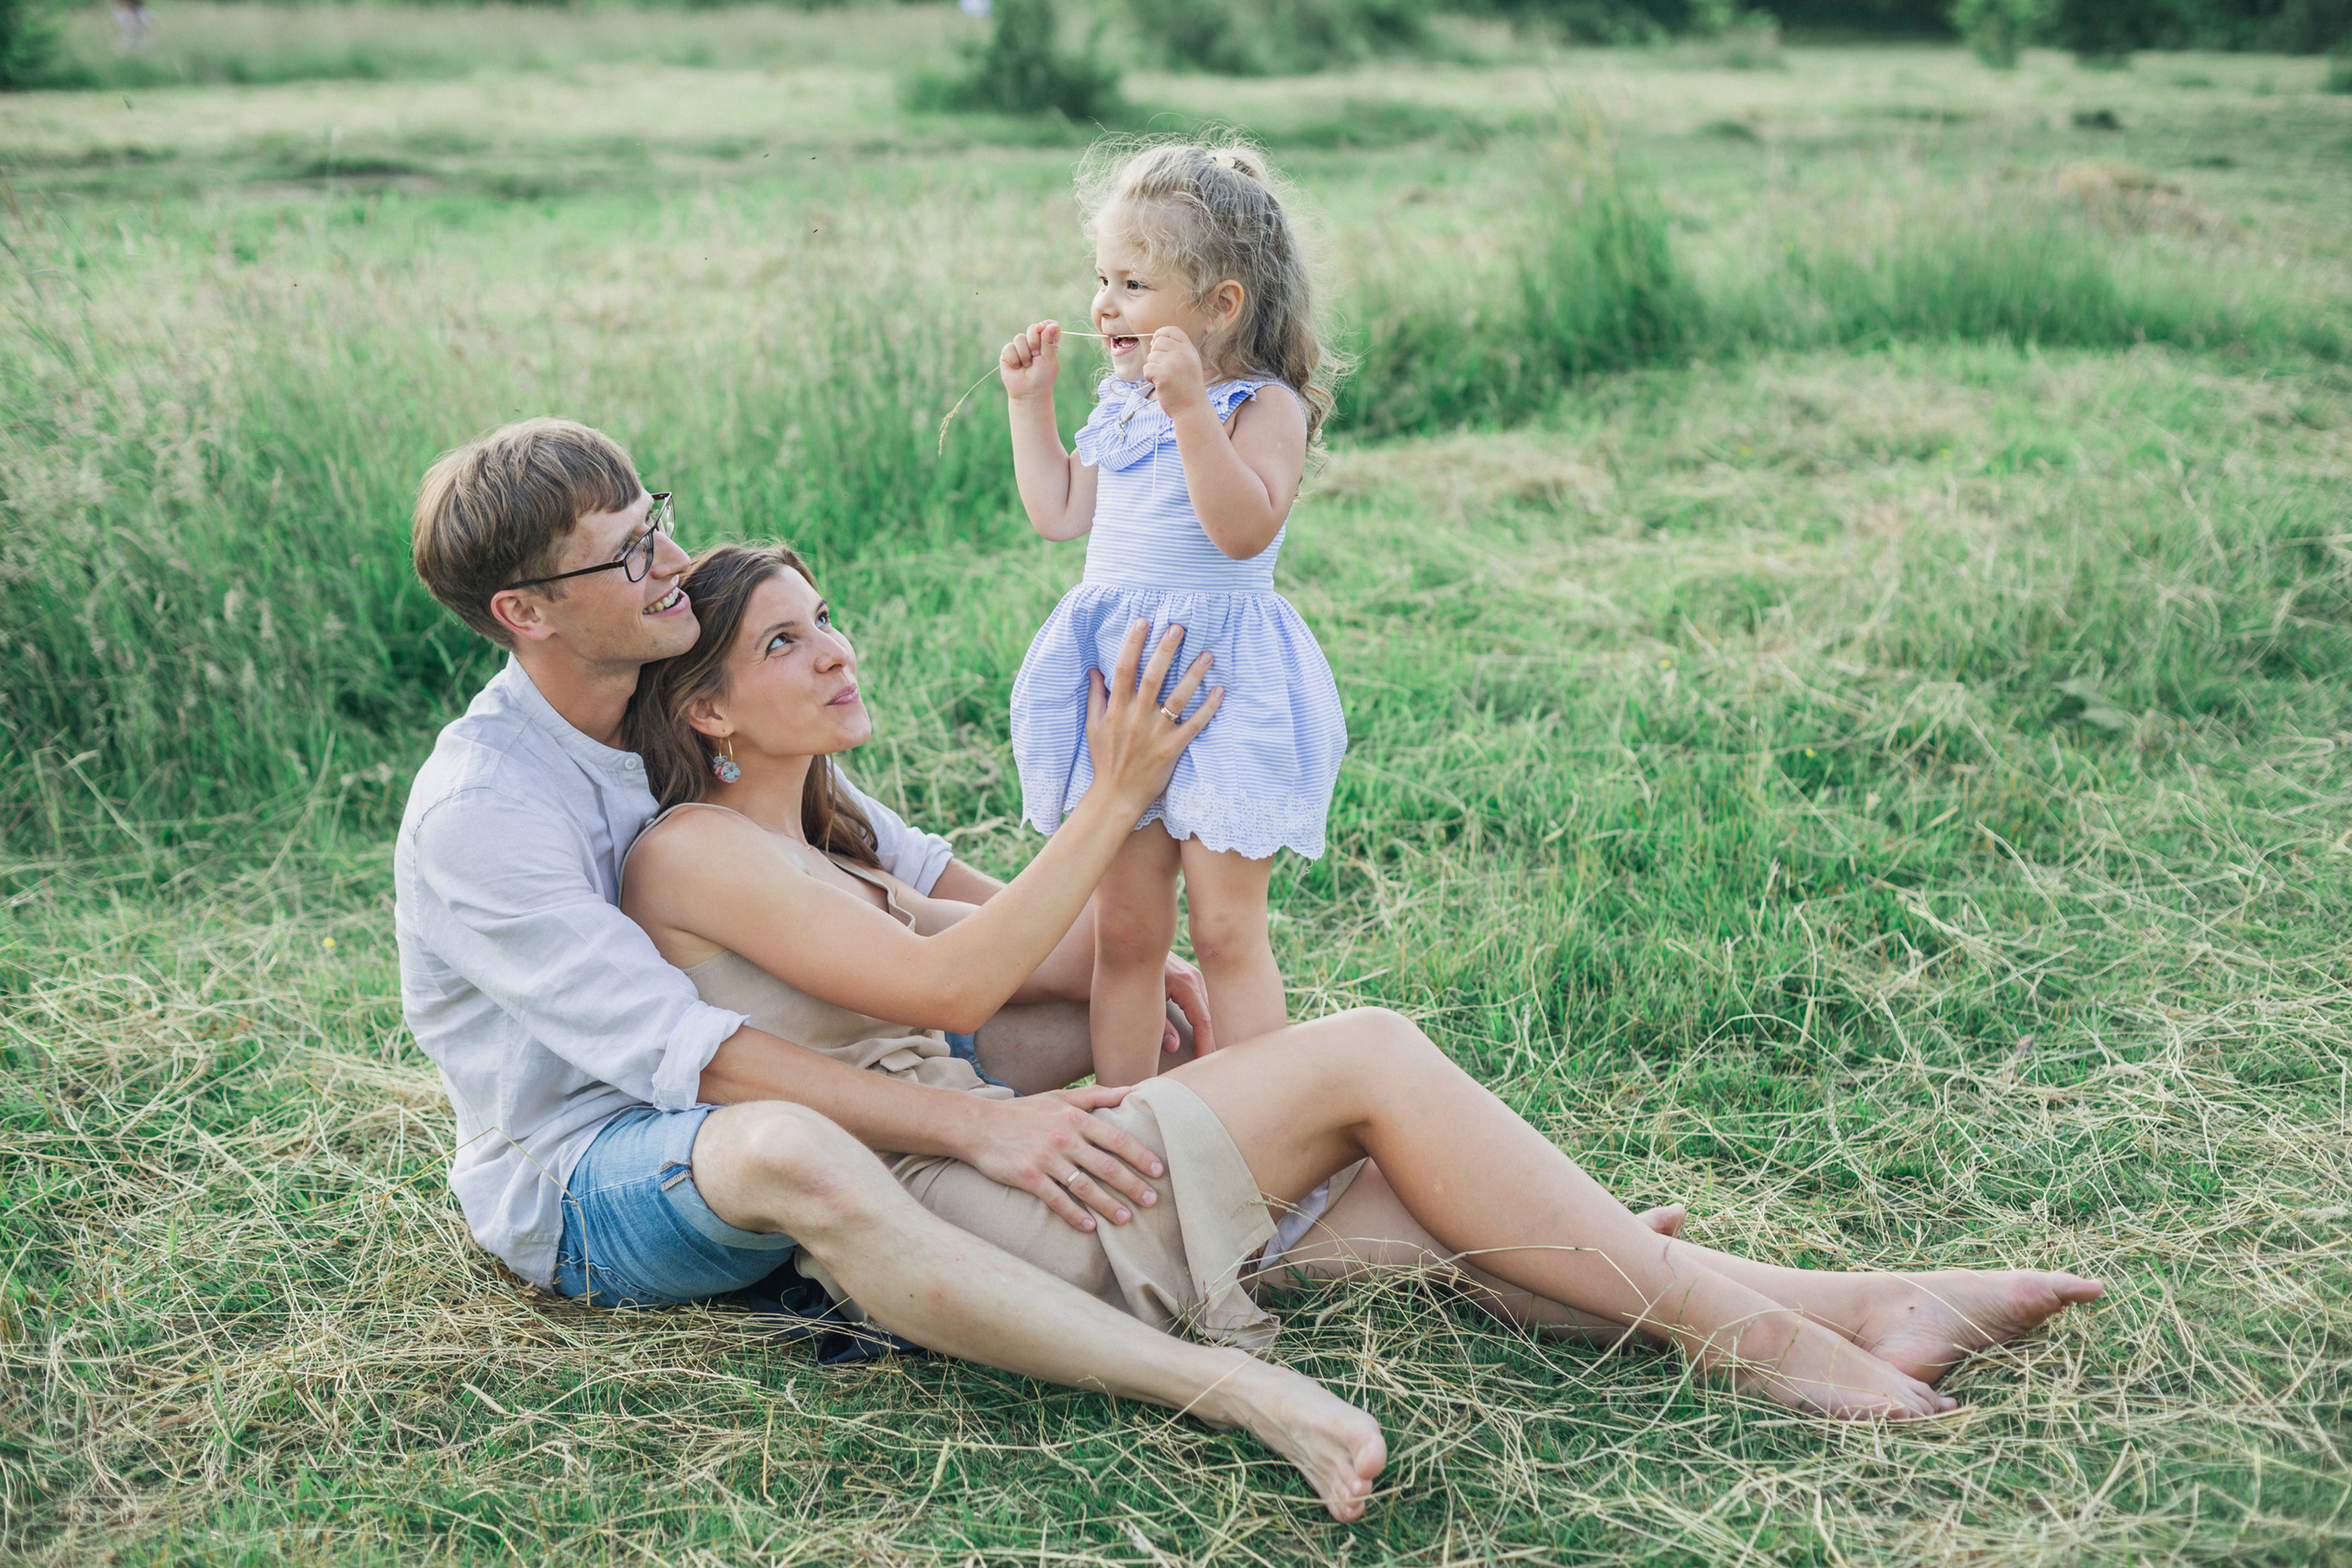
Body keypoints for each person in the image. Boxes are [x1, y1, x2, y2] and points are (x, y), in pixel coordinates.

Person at [616, 538, 2109, 1506]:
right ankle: (1771, 1341)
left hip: (1026, 1168)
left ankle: (1869, 1298)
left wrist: (1177, 870)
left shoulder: (828, 846)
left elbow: (1048, 955)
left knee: (1431, 1203)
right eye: (786, 646)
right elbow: (951, 995)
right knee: (1372, 1053)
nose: (834, 652)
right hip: (968, 1207)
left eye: (830, 619)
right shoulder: (694, 854)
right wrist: (1120, 788)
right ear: (709, 715)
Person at [394, 418, 1400, 1521]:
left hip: (786, 1073)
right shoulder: (485, 811)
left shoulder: (683, 711)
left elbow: (952, 901)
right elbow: (697, 1063)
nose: (671, 563)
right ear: (524, 613)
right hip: (600, 1162)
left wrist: (1138, 920)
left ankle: (1265, 1213)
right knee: (795, 1148)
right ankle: (1227, 1387)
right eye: (628, 553)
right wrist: (979, 1126)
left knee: (1143, 1000)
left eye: (657, 526)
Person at [1000, 141, 1347, 1083]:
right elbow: (1060, 514)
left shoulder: (1260, 406)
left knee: (1228, 927)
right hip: (1123, 684)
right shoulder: (1120, 404)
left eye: (1134, 284)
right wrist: (1030, 408)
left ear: (1220, 303)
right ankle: (1131, 1113)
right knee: (1125, 926)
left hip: (1220, 683)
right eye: (1100, 279)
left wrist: (1192, 410)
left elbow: (1241, 529)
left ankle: (1260, 1126)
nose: (1103, 305)